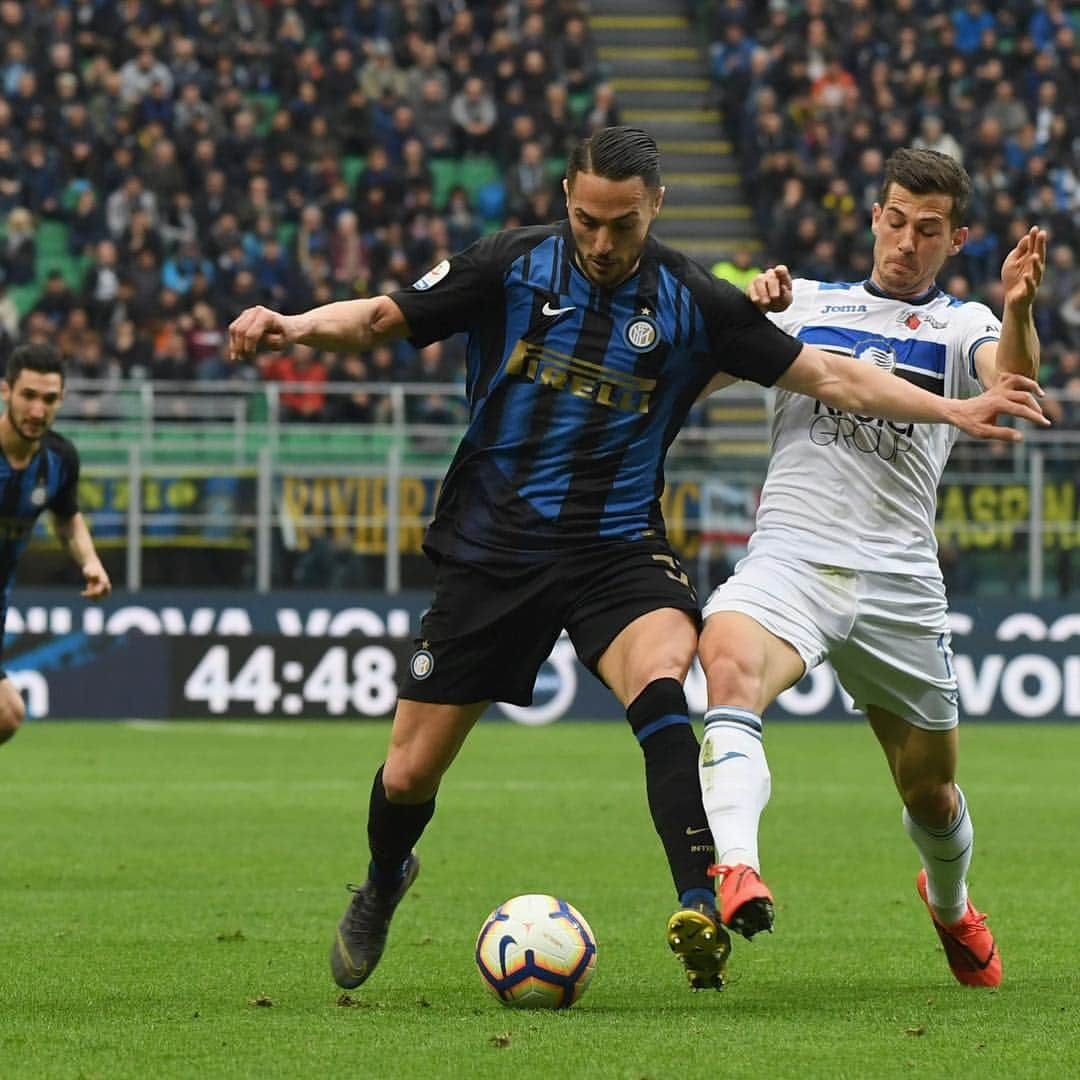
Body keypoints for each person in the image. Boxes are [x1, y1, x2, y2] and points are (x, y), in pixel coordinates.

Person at [228, 129, 1045, 994]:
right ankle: (395, 879)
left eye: (621, 224)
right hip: (501, 548)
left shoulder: (713, 300)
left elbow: (850, 379)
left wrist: (967, 392)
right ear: (566, 201)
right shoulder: (515, 264)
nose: (602, 241)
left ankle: (748, 902)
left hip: (634, 547)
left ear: (654, 208)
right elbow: (387, 315)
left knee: (697, 694)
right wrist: (296, 328)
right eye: (586, 220)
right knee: (412, 772)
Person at [695, 148, 1047, 990]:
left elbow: (1019, 388)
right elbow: (693, 381)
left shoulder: (964, 327)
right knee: (728, 663)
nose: (906, 241)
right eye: (895, 220)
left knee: (930, 792)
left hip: (899, 583)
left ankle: (953, 904)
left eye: (929, 230)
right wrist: (743, 318)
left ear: (955, 239)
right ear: (874, 215)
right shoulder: (807, 303)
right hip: (791, 560)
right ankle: (736, 867)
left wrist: (1019, 309)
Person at [0, 342, 112, 745]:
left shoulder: (59, 460)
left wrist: (90, 562)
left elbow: (66, 518)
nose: (37, 410)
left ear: (62, 399)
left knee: (6, 716)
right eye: (28, 396)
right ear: (6, 391)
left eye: (49, 399)